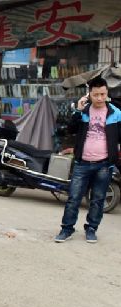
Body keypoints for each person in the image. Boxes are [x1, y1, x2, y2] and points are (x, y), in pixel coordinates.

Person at [55, 77, 121, 243]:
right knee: (73, 198)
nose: (100, 98)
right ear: (89, 94)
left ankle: (91, 229)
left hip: (105, 165)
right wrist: (77, 111)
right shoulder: (83, 111)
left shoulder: (116, 112)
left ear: (107, 93)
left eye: (103, 94)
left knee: (98, 200)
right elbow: (70, 130)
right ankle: (66, 229)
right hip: (82, 163)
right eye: (96, 94)